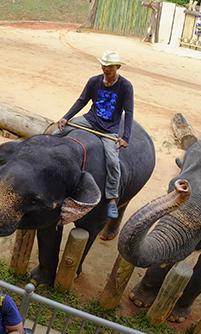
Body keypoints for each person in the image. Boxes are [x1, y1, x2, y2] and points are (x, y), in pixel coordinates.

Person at [56, 50, 133, 219]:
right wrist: (66, 117)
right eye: (104, 66)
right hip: (90, 121)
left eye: (110, 67)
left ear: (117, 67)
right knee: (56, 133)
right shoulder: (94, 81)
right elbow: (82, 100)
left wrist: (125, 137)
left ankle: (112, 197)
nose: (106, 70)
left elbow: (128, 112)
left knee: (113, 161)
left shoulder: (126, 87)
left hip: (109, 129)